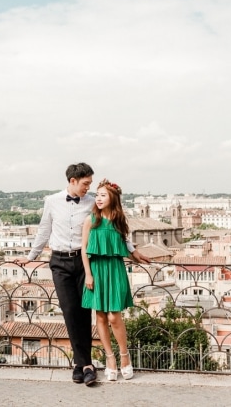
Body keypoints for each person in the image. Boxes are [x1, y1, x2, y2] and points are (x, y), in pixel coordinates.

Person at [19, 163, 150, 386]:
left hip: (84, 262)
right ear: (73, 181)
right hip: (59, 261)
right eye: (85, 184)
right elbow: (44, 229)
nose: (88, 189)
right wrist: (32, 256)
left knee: (85, 312)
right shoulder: (52, 201)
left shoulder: (93, 203)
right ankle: (82, 364)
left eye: (90, 184)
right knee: (70, 311)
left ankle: (85, 365)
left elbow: (116, 224)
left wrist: (132, 250)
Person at [81, 178, 135, 381]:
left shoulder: (119, 220)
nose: (99, 198)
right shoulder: (90, 220)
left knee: (114, 316)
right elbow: (84, 251)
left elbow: (126, 245)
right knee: (101, 317)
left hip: (115, 270)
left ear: (113, 198)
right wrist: (88, 274)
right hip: (96, 270)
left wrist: (138, 256)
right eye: (97, 195)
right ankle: (110, 358)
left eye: (103, 195)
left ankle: (124, 355)